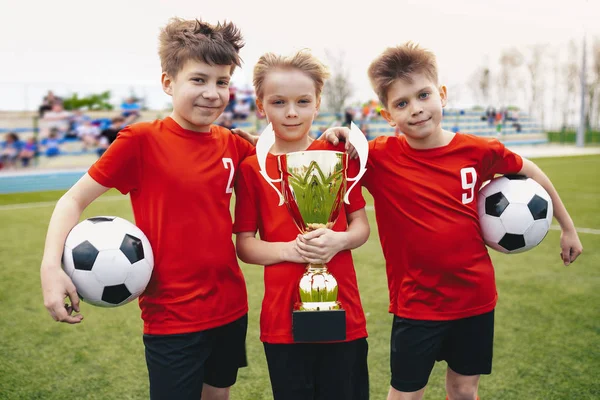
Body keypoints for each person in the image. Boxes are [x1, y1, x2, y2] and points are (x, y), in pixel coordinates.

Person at [324, 42, 583, 400]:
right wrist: (335, 133)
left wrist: (567, 228)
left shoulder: (478, 151)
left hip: (474, 297)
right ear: (388, 115)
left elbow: (531, 169)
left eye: (423, 95)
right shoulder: (378, 157)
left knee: (463, 390)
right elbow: (315, 155)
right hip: (417, 302)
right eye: (401, 103)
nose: (415, 109)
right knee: (406, 393)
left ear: (441, 94)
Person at [40, 17, 253, 400]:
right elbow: (72, 200)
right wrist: (50, 267)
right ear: (168, 83)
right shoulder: (140, 141)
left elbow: (284, 163)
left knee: (218, 396)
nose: (212, 93)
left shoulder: (233, 145)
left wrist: (327, 137)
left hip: (231, 307)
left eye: (222, 82)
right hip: (171, 316)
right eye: (199, 80)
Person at [233, 50, 370, 400]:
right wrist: (289, 250)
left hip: (344, 314)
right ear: (261, 106)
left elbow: (360, 227)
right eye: (279, 102)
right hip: (282, 322)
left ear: (317, 103)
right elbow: (245, 244)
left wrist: (338, 241)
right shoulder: (252, 168)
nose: (291, 112)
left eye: (302, 101)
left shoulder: (338, 155)